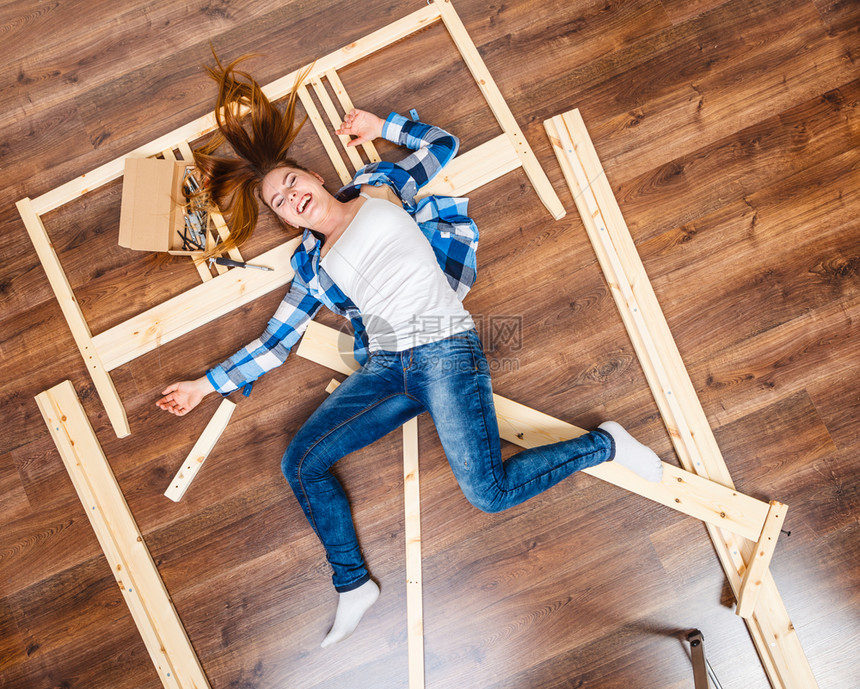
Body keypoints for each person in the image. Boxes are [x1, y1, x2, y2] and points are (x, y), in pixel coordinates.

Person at [156, 55, 663, 648]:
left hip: (445, 350)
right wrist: (205, 385)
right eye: (277, 203)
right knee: (301, 462)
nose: (290, 197)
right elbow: (276, 341)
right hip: (387, 370)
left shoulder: (379, 189)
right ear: (286, 222)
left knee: (488, 495)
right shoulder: (314, 269)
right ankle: (353, 585)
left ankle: (606, 444)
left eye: (293, 182)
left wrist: (383, 129)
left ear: (316, 178)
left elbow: (442, 144)